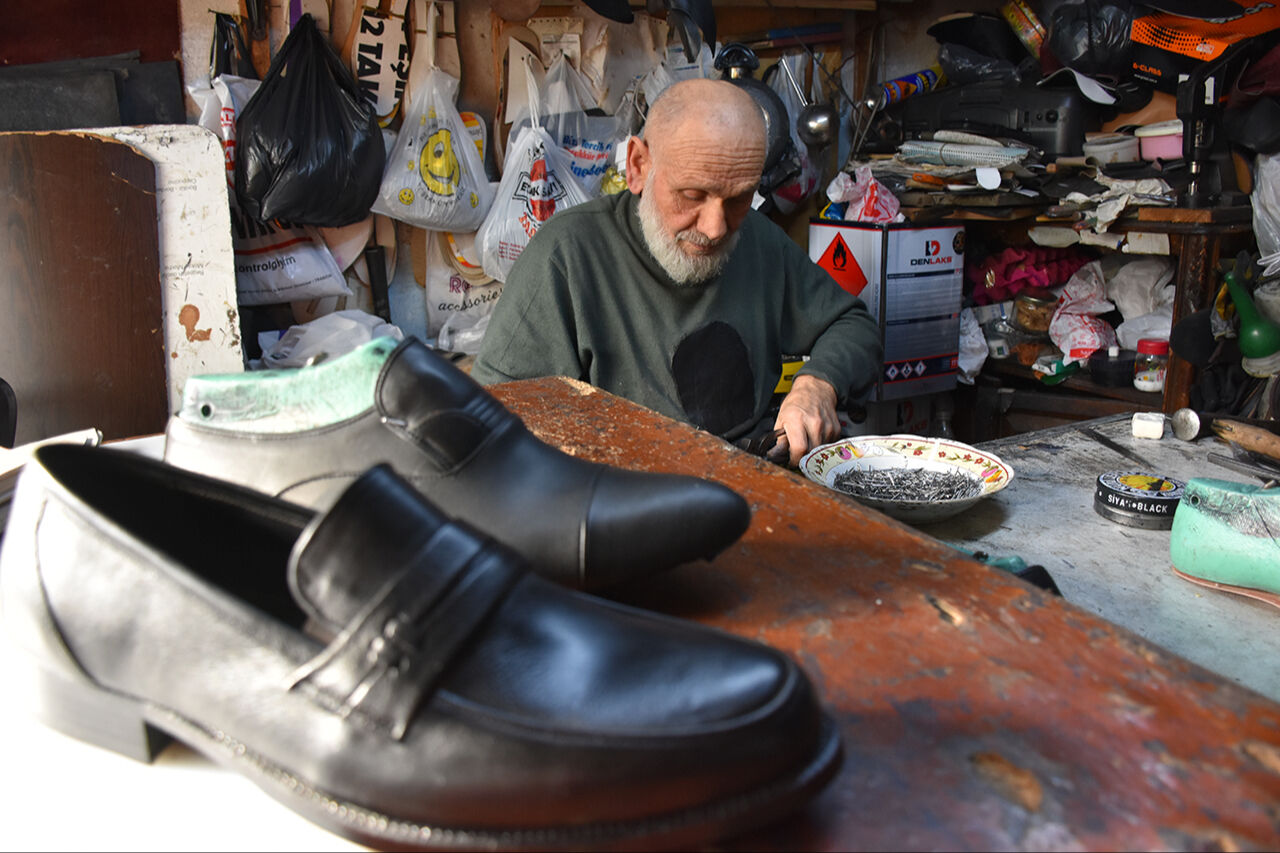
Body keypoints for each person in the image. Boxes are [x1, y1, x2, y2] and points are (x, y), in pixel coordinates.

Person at [470, 77, 882, 466]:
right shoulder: (566, 256)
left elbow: (853, 325)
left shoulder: (756, 240)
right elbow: (493, 425)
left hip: (751, 485)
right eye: (692, 195)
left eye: (739, 198)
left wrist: (817, 384)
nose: (715, 227)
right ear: (637, 166)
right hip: (614, 503)